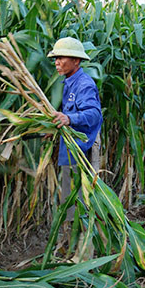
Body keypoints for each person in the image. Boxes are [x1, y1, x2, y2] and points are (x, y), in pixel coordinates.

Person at [47, 36, 103, 223]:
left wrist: (69, 118)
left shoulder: (84, 84)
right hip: (71, 148)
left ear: (76, 60)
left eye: (61, 57)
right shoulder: (69, 82)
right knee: (70, 197)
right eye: (56, 58)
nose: (57, 62)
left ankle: (83, 240)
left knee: (81, 198)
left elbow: (94, 114)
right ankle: (70, 237)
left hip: (83, 149)